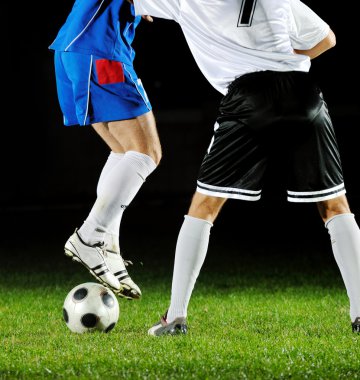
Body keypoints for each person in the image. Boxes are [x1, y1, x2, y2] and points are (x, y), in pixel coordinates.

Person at [132, 0, 360, 335]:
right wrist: (278, 58)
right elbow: (327, 39)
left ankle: (175, 318)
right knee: (335, 206)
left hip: (249, 96)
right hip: (303, 93)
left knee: (204, 207)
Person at [48, 0, 161, 300]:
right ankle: (89, 236)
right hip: (98, 51)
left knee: (124, 151)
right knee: (147, 152)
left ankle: (108, 245)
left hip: (80, 49)